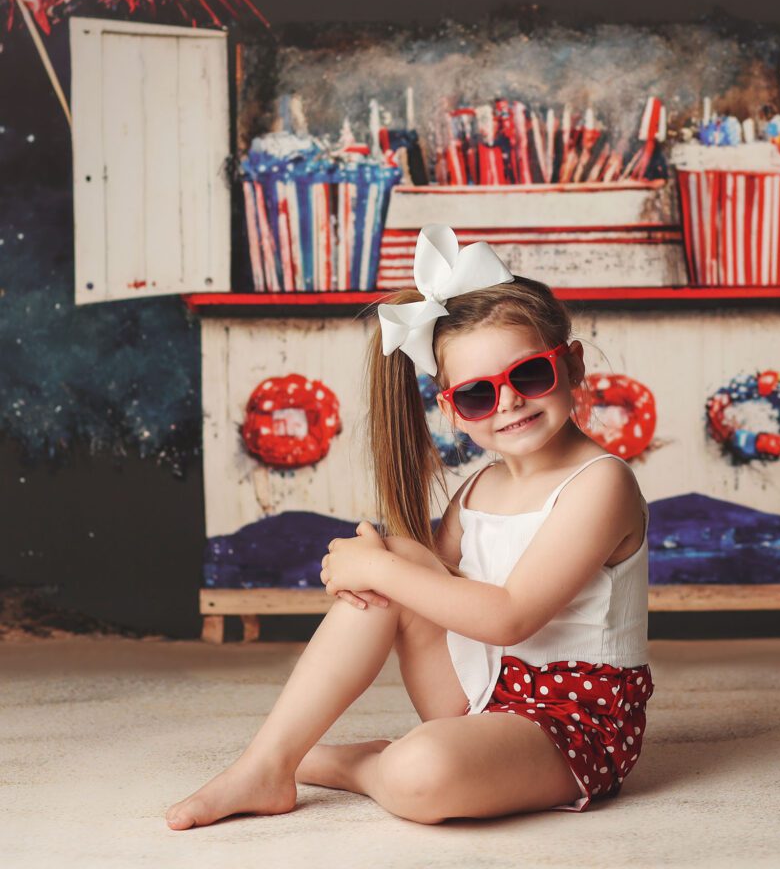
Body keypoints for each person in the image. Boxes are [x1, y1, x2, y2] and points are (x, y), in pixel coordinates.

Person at [166, 223, 654, 829]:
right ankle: (267, 761)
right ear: (453, 411)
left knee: (419, 773)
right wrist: (374, 564)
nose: (508, 403)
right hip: (478, 691)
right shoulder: (480, 487)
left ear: (572, 364)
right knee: (395, 566)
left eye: (529, 375)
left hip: (571, 724)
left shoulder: (600, 483)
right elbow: (432, 591)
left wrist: (381, 568)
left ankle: (365, 766)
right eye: (478, 395)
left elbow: (509, 616)